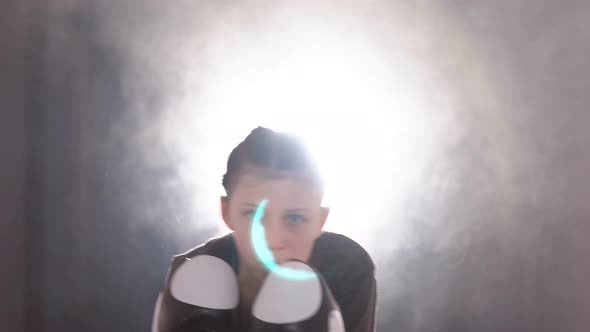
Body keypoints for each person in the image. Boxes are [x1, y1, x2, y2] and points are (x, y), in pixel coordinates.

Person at [154, 126, 377, 331]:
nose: (272, 239)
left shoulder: (347, 267)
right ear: (227, 212)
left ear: (320, 220)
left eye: (294, 218)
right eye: (253, 215)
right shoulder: (190, 277)